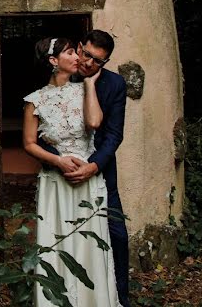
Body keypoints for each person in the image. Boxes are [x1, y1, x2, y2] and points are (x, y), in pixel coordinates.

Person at [23, 37, 120, 307]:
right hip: (56, 181)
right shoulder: (35, 100)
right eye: (70, 53)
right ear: (54, 61)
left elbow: (94, 122)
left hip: (88, 179)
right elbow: (29, 143)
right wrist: (58, 161)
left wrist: (88, 84)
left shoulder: (87, 89)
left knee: (90, 243)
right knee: (55, 242)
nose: (78, 57)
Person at [57, 30, 130, 307]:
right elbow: (43, 127)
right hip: (64, 170)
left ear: (105, 62)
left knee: (117, 236)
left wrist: (94, 165)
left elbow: (114, 135)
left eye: (97, 61)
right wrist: (58, 160)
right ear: (79, 47)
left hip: (102, 170)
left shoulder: (115, 84)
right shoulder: (61, 74)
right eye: (86, 54)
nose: (88, 63)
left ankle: (120, 299)